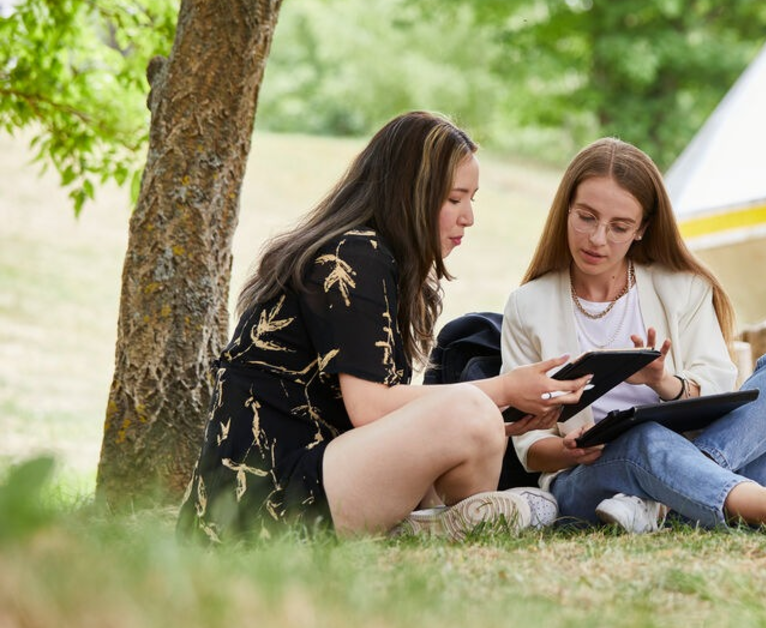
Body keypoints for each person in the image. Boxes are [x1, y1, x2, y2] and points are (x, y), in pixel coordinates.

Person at [176, 111, 586, 543]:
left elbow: (374, 416)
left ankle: (444, 525)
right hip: (269, 498)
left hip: (318, 471)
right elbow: (370, 407)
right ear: (409, 194)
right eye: (453, 199)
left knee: (477, 418)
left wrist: (491, 422)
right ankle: (441, 527)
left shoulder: (374, 257)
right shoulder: (353, 256)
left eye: (472, 199)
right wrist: (502, 391)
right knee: (470, 407)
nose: (468, 217)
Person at [500, 138, 766, 539]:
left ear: (642, 230)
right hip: (588, 481)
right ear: (565, 210)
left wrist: (661, 382)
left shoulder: (682, 287)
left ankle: (663, 503)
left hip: (680, 459)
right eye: (586, 218)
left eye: (619, 227)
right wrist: (568, 450)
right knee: (642, 437)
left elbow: (721, 389)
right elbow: (528, 444)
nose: (598, 239)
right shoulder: (528, 305)